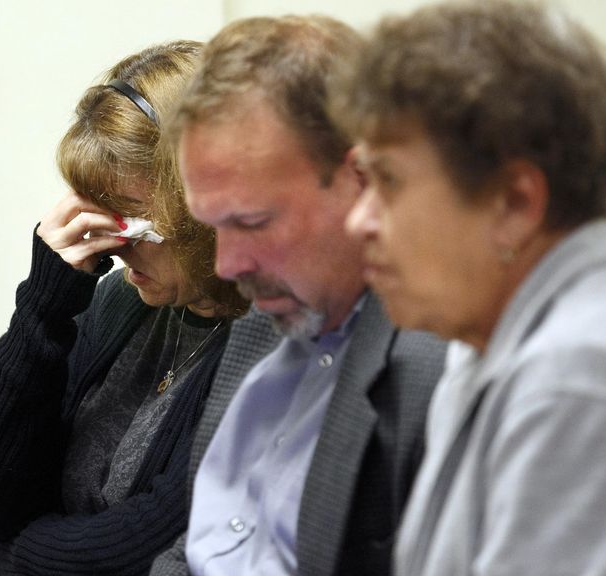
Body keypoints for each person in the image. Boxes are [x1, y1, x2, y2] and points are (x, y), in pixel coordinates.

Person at [334, 1, 606, 574]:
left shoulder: (578, 379)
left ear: (514, 203)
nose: (357, 221)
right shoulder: (487, 339)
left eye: (387, 180)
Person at [150, 16, 446, 576]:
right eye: (214, 226)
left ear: (363, 178)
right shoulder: (266, 323)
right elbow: (195, 545)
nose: (226, 265)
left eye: (255, 221)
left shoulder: (442, 363)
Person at [0, 40, 249, 576]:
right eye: (99, 215)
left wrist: (10, 553)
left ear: (207, 204)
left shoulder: (269, 339)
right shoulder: (123, 301)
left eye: (132, 220)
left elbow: (145, 549)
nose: (111, 244)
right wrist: (45, 306)